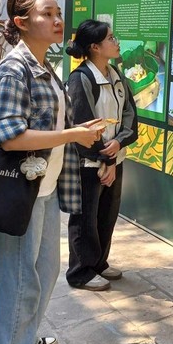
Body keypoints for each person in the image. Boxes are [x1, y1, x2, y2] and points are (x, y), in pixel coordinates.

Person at [0, 0, 102, 344]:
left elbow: (49, 121)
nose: (57, 20)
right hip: (20, 190)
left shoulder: (44, 64)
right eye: (47, 14)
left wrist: (79, 128)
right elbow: (10, 134)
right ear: (21, 22)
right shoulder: (14, 68)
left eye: (57, 13)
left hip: (46, 188)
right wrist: (72, 135)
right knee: (19, 274)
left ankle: (24, 333)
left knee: (45, 269)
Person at [65, 19, 137, 292]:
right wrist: (105, 159)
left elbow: (129, 114)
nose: (116, 42)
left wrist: (118, 145)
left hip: (113, 157)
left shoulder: (115, 73)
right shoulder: (81, 78)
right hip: (89, 161)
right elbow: (82, 125)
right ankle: (80, 271)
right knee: (85, 217)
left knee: (107, 213)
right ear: (95, 47)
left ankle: (98, 262)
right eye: (110, 38)